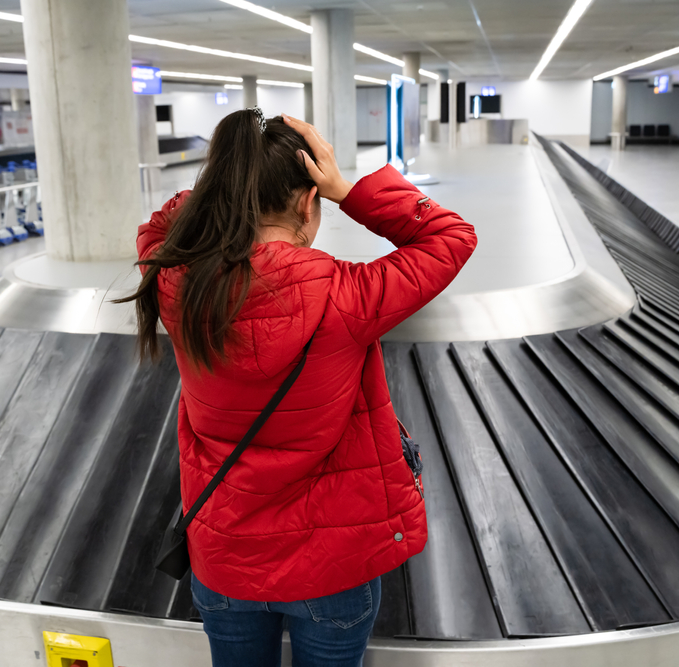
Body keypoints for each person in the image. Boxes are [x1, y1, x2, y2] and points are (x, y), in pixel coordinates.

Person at [123, 108, 476, 666]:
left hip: (225, 561)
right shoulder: (349, 295)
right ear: (308, 202)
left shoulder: (176, 285)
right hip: (331, 569)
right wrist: (351, 189)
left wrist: (224, 179)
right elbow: (451, 236)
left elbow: (156, 228)